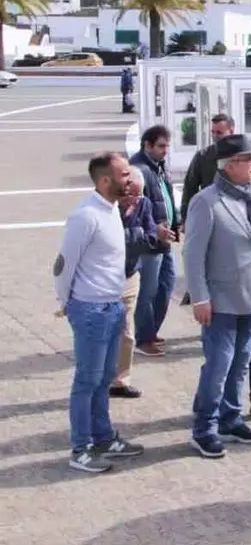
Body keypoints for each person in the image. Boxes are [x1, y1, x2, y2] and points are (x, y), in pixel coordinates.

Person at [184, 134, 251, 459]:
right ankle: (204, 428)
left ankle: (230, 417)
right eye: (247, 159)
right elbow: (193, 255)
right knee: (218, 366)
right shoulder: (206, 202)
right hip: (220, 299)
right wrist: (199, 298)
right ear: (229, 166)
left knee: (240, 364)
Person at [53, 151, 144, 473]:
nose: (129, 179)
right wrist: (65, 303)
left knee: (105, 378)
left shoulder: (111, 210)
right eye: (123, 175)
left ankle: (103, 437)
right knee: (87, 380)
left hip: (112, 306)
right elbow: (64, 265)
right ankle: (80, 449)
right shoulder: (86, 215)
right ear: (105, 180)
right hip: (90, 309)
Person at [110, 166, 164, 399]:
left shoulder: (144, 205)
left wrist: (137, 234)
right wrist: (139, 234)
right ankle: (98, 377)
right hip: (105, 277)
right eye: (130, 194)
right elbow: (111, 239)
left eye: (139, 194)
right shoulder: (107, 207)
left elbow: (151, 238)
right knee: (104, 331)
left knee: (127, 332)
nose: (135, 200)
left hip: (130, 273)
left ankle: (120, 381)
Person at [130, 125, 179, 356]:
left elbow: (166, 199)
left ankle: (150, 332)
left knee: (166, 286)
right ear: (147, 145)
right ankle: (143, 338)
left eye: (167, 146)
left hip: (165, 240)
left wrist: (176, 223)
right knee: (148, 292)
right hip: (150, 243)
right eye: (161, 146)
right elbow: (133, 211)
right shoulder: (139, 170)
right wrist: (153, 230)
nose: (165, 151)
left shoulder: (158, 167)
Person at [179, 114, 236, 306]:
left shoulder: (242, 156)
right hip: (210, 217)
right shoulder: (203, 156)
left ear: (231, 131)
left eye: (220, 132)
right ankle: (199, 293)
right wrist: (186, 218)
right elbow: (189, 188)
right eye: (213, 132)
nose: (215, 136)